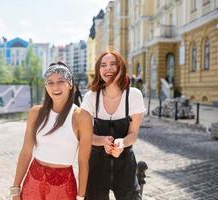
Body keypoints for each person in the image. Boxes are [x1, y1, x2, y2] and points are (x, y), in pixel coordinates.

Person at [11, 61, 93, 200]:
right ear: (46, 86)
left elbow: (83, 162)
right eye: (50, 82)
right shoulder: (36, 112)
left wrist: (80, 196)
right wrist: (15, 189)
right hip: (33, 181)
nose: (55, 87)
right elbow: (26, 152)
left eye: (61, 81)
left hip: (63, 187)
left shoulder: (81, 117)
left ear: (70, 84)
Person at [81, 50, 146, 200]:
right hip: (96, 166)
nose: (108, 68)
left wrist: (122, 143)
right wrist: (101, 141)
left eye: (112, 64)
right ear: (98, 70)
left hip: (125, 166)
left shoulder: (134, 95)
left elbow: (133, 134)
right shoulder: (91, 97)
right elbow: (85, 135)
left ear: (121, 67)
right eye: (103, 65)